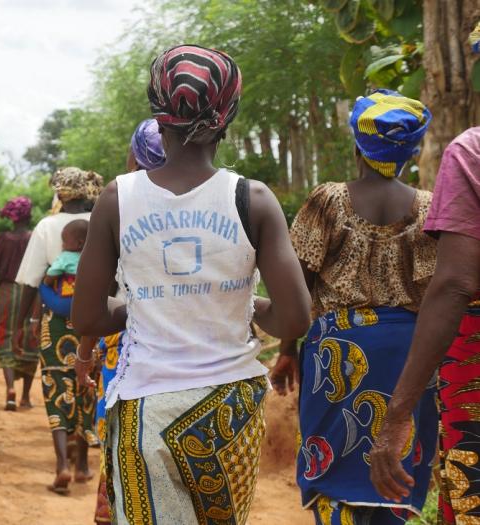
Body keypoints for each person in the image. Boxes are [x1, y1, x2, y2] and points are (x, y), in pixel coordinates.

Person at [72, 44, 311, 524]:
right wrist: (241, 303)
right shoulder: (254, 199)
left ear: (157, 113)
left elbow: (87, 316)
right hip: (231, 408)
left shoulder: (119, 198)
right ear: (228, 116)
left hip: (148, 405)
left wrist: (136, 307)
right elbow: (295, 317)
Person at [270, 90, 438, 524]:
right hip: (408, 353)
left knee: (333, 466)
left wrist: (288, 349)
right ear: (411, 150)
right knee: (397, 466)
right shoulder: (428, 207)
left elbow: (299, 284)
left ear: (357, 143)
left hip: (338, 355)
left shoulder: (328, 199)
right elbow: (437, 289)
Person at [370, 127, 480, 524]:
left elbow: (454, 283)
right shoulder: (424, 202)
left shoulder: (472, 152)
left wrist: (398, 414)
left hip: (447, 353)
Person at [89, 118, 167, 525]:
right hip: (199, 351)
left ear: (134, 157)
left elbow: (95, 292)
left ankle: (115, 508)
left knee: (119, 442)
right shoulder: (211, 196)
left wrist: (86, 349)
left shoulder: (118, 201)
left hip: (128, 347)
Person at [13, 167, 104, 495]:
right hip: (96, 319)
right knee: (88, 386)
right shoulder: (103, 220)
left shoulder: (47, 227)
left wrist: (21, 323)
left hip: (55, 321)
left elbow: (32, 280)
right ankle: (82, 465)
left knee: (56, 387)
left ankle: (62, 465)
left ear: (60, 193)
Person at [0, 196, 39, 411]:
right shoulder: (35, 238)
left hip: (7, 293)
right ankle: (26, 397)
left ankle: (10, 390)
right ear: (29, 216)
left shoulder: (4, 239)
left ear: (11, 218)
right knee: (31, 335)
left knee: (6, 335)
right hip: (31, 292)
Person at [42, 219, 88, 289]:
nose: (62, 245)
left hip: (70, 294)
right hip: (89, 291)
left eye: (64, 241)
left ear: (79, 243)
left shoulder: (65, 256)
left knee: (42, 288)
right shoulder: (93, 256)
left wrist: (46, 282)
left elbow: (53, 272)